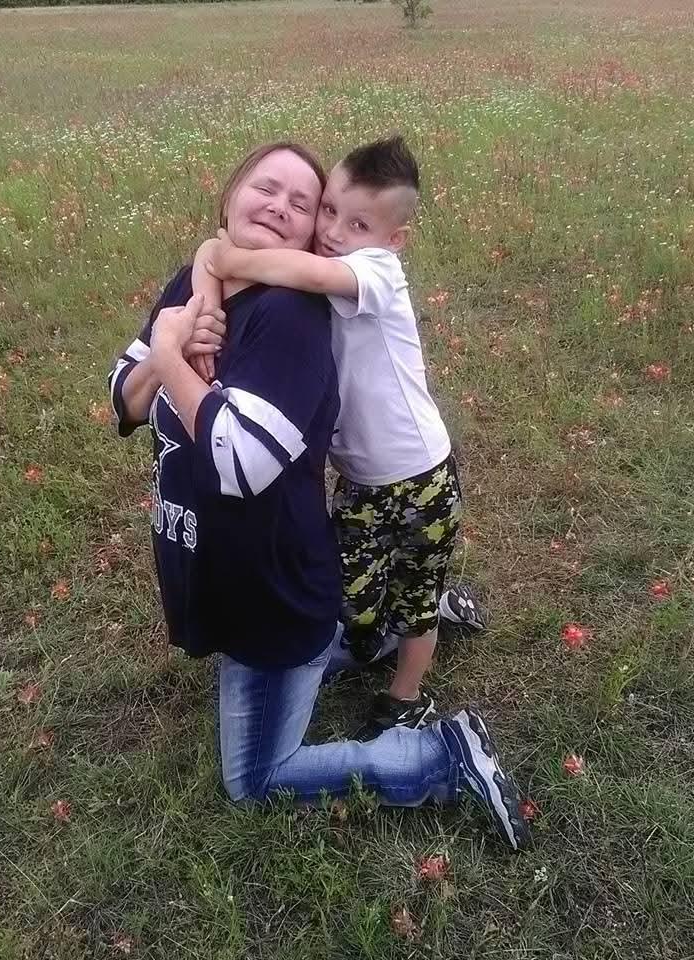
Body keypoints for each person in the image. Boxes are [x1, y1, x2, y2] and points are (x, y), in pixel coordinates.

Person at [108, 142, 531, 851]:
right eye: (265, 187)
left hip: (286, 579)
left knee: (256, 780)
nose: (281, 206)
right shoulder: (187, 283)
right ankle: (398, 625)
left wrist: (171, 356)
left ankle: (444, 756)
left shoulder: (296, 317)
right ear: (230, 195)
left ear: (308, 237)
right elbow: (121, 402)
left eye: (300, 203)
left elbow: (237, 462)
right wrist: (176, 327)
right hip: (237, 567)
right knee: (364, 604)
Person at [193, 136, 485, 733]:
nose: (332, 229)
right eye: (328, 210)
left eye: (357, 223)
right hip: (358, 478)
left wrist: (225, 257)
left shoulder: (377, 271)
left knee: (414, 598)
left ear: (393, 238)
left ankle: (406, 696)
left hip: (419, 476)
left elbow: (294, 266)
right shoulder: (326, 277)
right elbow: (223, 262)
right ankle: (409, 624)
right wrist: (206, 277)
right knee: (349, 589)